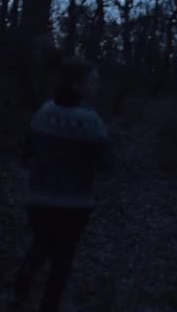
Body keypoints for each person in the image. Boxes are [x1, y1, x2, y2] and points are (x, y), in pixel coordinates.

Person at [11, 46, 111, 312]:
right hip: (74, 204)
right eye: (93, 81)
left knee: (40, 247)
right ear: (78, 86)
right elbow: (106, 164)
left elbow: (26, 154)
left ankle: (16, 298)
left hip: (39, 200)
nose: (98, 86)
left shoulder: (43, 112)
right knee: (62, 261)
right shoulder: (91, 122)